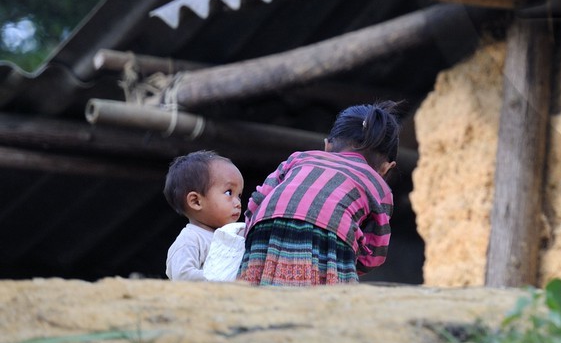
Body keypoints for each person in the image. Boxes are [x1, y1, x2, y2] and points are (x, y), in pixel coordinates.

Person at [238, 101, 401, 286]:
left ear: (327, 146)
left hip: (265, 227)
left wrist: (252, 232)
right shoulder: (378, 185)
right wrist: (348, 263)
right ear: (387, 169)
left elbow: (257, 201)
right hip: (329, 238)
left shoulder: (298, 158)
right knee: (326, 304)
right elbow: (375, 252)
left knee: (257, 295)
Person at [163, 150, 244, 281]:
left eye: (239, 196)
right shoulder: (191, 240)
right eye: (229, 193)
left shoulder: (235, 236)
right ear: (196, 201)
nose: (238, 203)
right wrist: (221, 281)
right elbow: (181, 276)